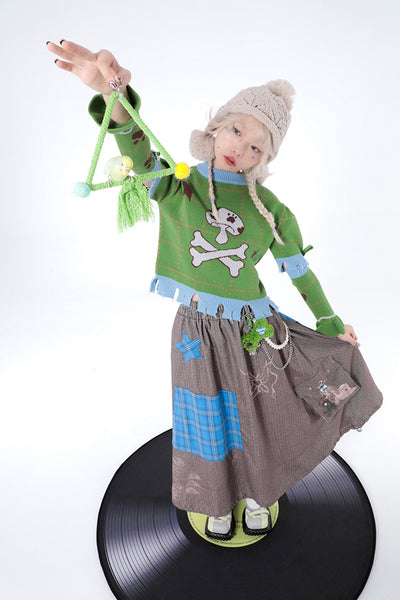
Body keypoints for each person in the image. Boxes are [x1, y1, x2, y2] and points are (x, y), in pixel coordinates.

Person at [47, 40, 383, 541]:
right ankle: (214, 500)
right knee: (202, 415)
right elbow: (138, 151)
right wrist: (114, 95)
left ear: (264, 159)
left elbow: (299, 272)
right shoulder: (178, 184)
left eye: (256, 147)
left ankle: (260, 492)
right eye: (236, 130)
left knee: (260, 414)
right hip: (196, 330)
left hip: (255, 330)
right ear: (215, 128)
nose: (240, 149)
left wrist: (331, 323)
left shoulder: (270, 209)